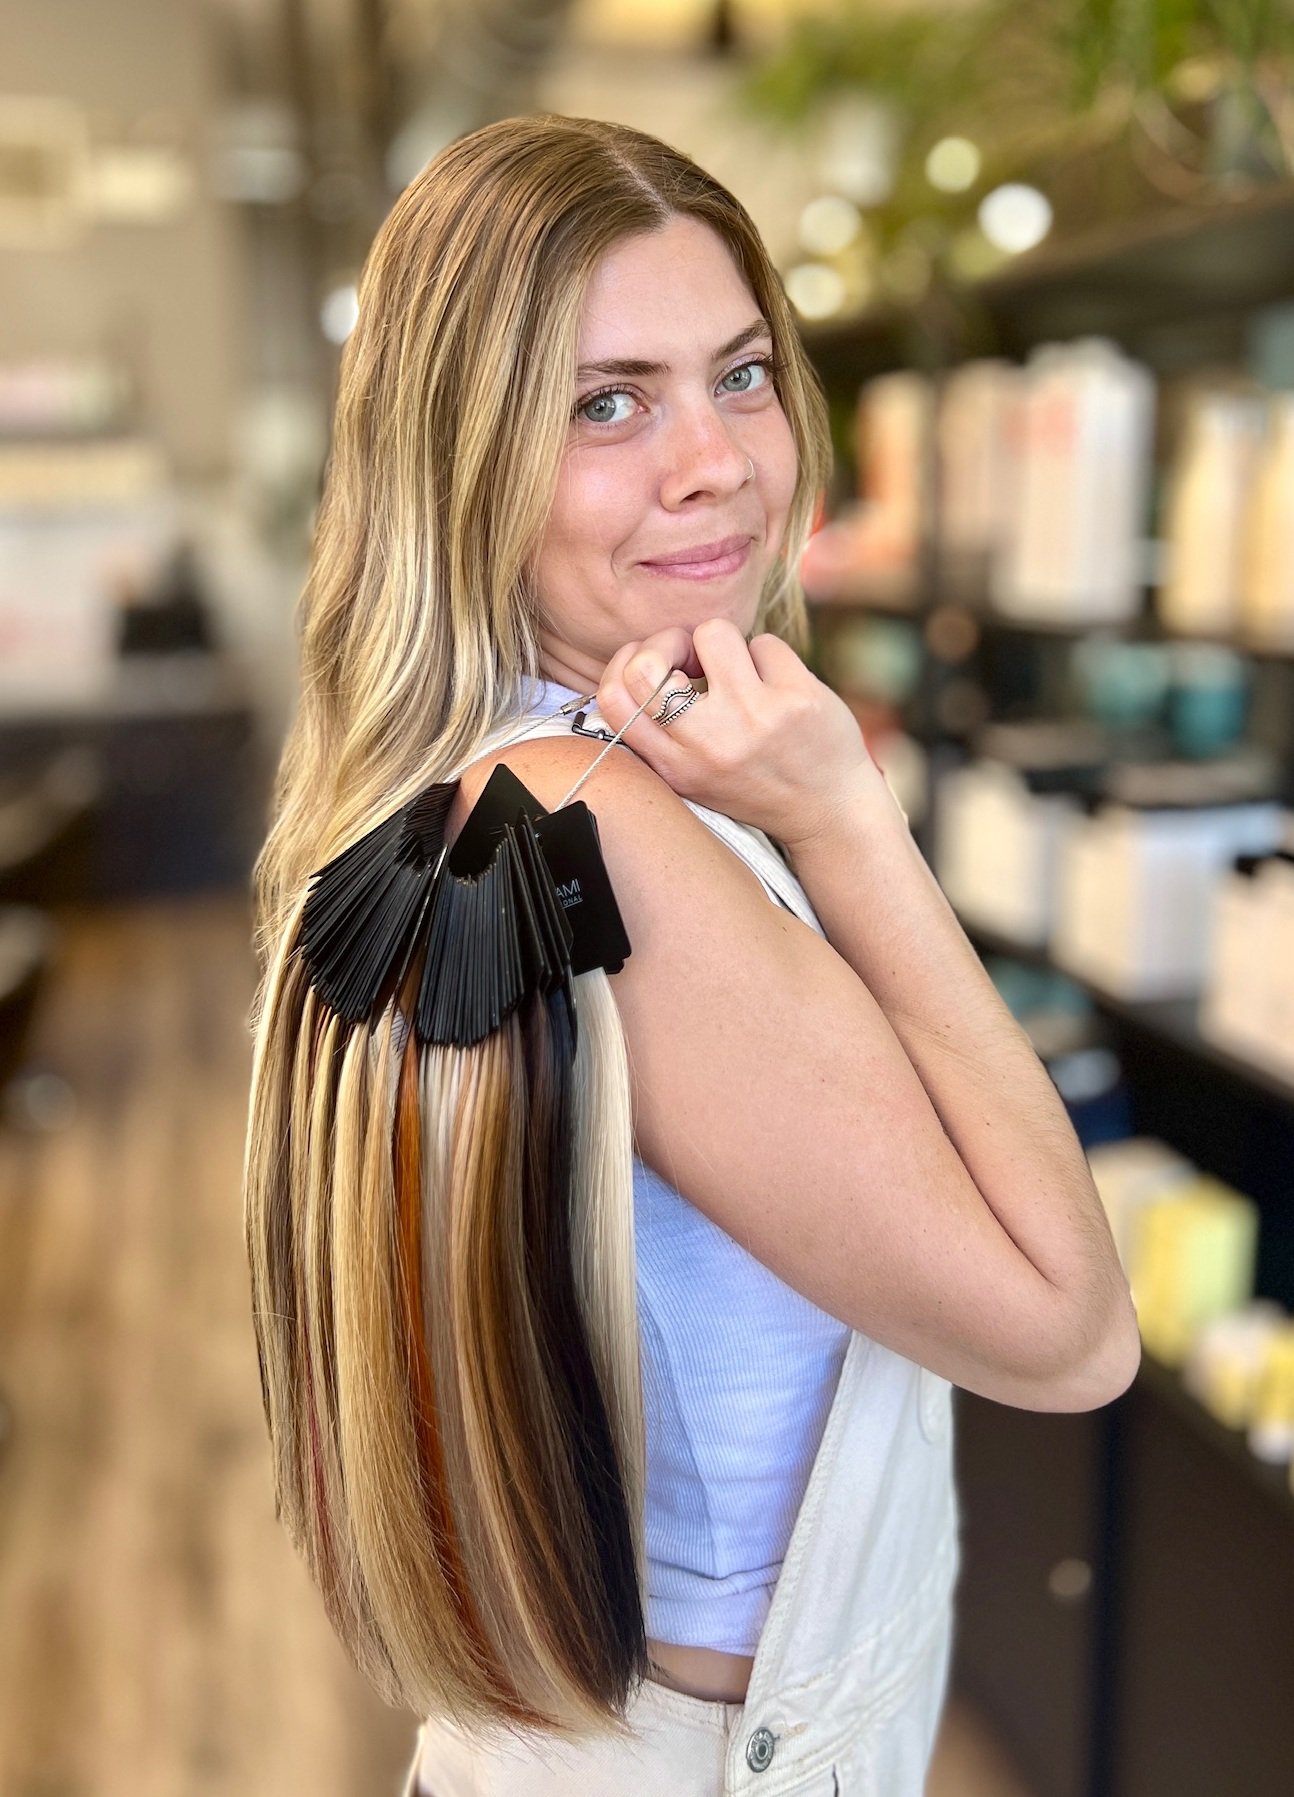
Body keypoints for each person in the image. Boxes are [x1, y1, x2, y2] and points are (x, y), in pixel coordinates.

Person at [247, 113, 1140, 1797]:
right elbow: (1067, 1329)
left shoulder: (469, 780)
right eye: (607, 403)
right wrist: (849, 821)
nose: (713, 460)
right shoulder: (597, 831)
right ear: (461, 456)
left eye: (739, 374)